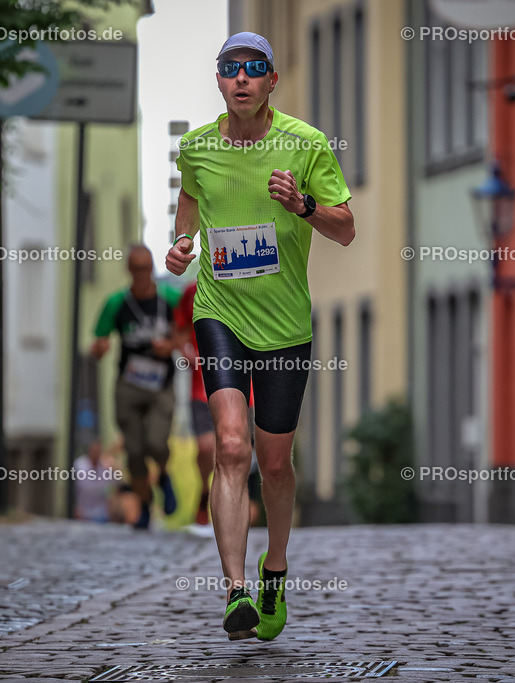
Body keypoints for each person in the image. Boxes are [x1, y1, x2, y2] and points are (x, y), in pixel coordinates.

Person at [166, 32, 354, 640]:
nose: (241, 78)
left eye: (254, 69)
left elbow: (346, 229)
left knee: (274, 463)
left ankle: (274, 569)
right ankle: (234, 589)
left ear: (273, 80)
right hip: (219, 311)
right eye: (230, 69)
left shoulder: (304, 144)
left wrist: (302, 206)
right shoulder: (195, 149)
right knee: (230, 446)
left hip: (284, 326)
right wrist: (181, 246)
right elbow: (191, 200)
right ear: (218, 82)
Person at [92, 245, 182, 529]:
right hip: (128, 384)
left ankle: (164, 475)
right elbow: (99, 340)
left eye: (147, 268)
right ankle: (144, 506)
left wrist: (170, 346)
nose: (142, 274)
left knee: (156, 442)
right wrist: (100, 347)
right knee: (134, 451)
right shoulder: (117, 303)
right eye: (136, 269)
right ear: (129, 270)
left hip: (161, 384)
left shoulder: (170, 299)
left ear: (152, 268)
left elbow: (189, 330)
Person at [175, 280, 262, 528]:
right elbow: (180, 327)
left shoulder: (251, 283)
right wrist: (185, 349)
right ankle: (205, 489)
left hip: (246, 390)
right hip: (201, 387)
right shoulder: (192, 290)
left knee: (241, 454)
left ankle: (235, 517)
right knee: (205, 448)